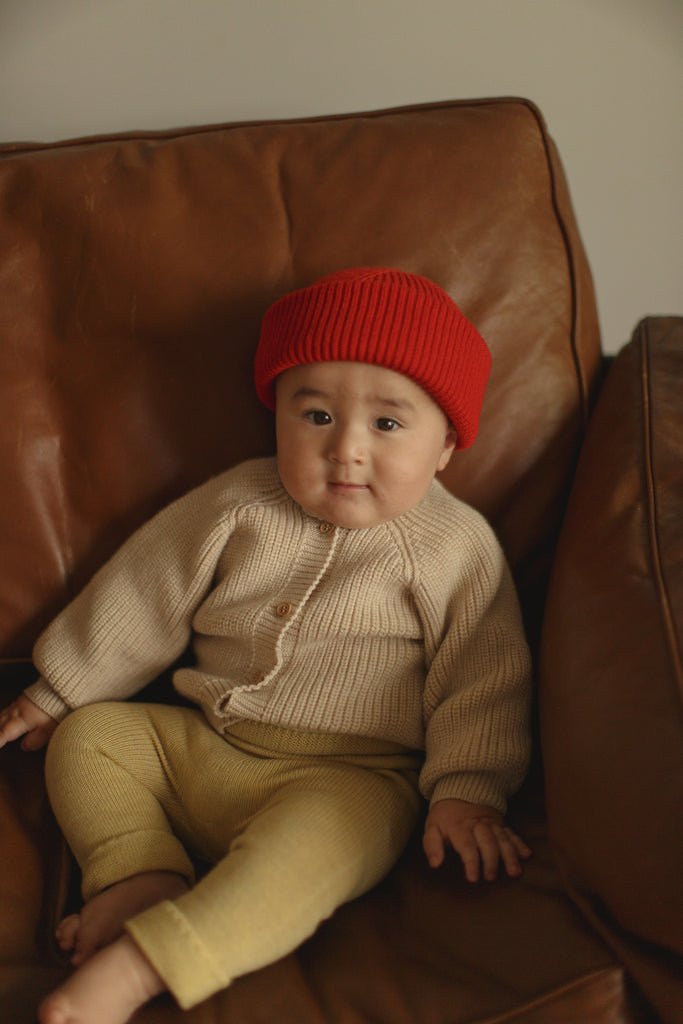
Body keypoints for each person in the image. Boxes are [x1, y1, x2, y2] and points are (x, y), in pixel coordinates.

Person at [0, 268, 533, 1024]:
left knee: (301, 863)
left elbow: (483, 675)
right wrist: (63, 688)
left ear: (446, 443)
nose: (346, 449)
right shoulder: (237, 502)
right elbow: (147, 592)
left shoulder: (454, 546)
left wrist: (467, 790)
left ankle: (143, 967)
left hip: (347, 780)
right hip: (205, 746)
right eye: (315, 415)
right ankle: (138, 870)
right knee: (92, 737)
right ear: (276, 413)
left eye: (387, 424)